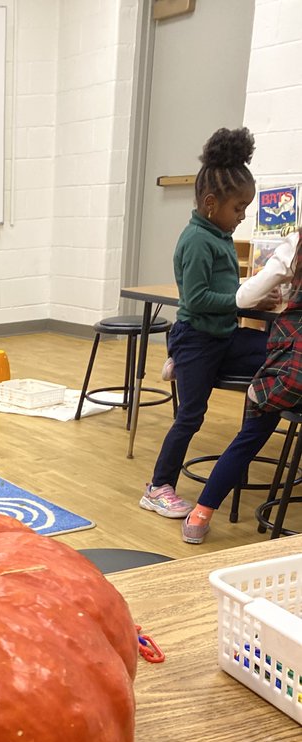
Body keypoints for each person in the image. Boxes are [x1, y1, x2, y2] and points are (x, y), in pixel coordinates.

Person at [140, 128, 269, 520]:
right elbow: (194, 300)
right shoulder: (197, 240)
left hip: (222, 336)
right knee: (191, 415)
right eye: (238, 208)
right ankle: (158, 486)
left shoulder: (219, 232)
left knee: (274, 353)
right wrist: (237, 298)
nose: (242, 215)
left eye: (245, 207)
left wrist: (250, 292)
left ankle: (181, 361)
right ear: (211, 203)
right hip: (197, 338)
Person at [182, 227, 302, 543]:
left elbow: (244, 297)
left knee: (251, 434)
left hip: (291, 376)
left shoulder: (296, 245)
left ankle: (200, 514)